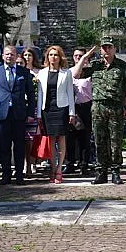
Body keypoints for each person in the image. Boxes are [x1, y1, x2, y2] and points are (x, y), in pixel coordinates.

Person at [75, 37, 126, 185]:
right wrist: (84, 57)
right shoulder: (95, 66)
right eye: (104, 47)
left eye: (109, 47)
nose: (106, 50)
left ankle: (115, 172)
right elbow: (75, 74)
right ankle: (101, 172)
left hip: (115, 107)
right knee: (99, 141)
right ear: (100, 49)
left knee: (115, 141)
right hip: (98, 107)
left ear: (114, 49)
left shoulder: (123, 66)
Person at [0, 45, 36, 184]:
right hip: (2, 115)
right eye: (7, 54)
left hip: (19, 114)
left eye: (12, 54)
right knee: (4, 146)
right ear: (2, 56)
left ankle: (19, 175)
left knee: (19, 146)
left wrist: (30, 112)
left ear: (16, 56)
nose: (9, 56)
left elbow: (31, 95)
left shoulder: (24, 72)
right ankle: (6, 175)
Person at [36, 45, 76, 183]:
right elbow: (40, 94)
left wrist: (72, 112)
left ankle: (59, 169)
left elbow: (70, 93)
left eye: (56, 55)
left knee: (61, 139)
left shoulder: (66, 73)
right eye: (51, 55)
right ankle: (53, 168)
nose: (53, 57)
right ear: (47, 57)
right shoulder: (42, 73)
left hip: (62, 108)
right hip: (47, 109)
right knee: (51, 140)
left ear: (60, 57)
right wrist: (39, 114)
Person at [66, 47, 94, 175]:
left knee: (85, 138)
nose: (78, 57)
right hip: (73, 107)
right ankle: (70, 163)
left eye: (81, 55)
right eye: (76, 55)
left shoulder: (91, 72)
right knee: (70, 137)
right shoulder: (69, 72)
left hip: (87, 107)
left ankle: (84, 164)